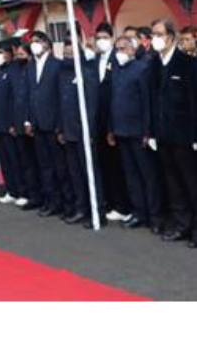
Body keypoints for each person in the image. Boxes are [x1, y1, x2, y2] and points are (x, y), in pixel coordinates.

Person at [149, 19, 197, 247]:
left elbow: (194, 102)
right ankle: (181, 224)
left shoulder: (188, 64)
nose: (154, 39)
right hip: (163, 135)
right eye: (152, 34)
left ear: (170, 37)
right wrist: (152, 133)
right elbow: (152, 101)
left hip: (184, 136)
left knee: (191, 183)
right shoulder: (154, 65)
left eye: (158, 34)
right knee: (173, 184)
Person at [108, 35, 162, 233]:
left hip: (139, 132)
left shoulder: (141, 69)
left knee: (148, 175)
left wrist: (148, 131)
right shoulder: (116, 70)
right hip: (121, 130)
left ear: (132, 49)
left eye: (123, 48)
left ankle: (155, 216)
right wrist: (111, 128)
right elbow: (113, 101)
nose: (119, 52)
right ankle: (139, 212)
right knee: (131, 176)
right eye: (117, 49)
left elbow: (147, 103)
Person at [57, 38, 104, 228]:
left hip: (84, 133)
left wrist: (90, 132)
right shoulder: (63, 75)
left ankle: (97, 212)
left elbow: (92, 107)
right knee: (75, 174)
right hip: (69, 132)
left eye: (71, 54)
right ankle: (81, 208)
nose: (67, 57)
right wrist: (61, 129)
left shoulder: (87, 73)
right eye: (65, 54)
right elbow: (61, 104)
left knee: (90, 173)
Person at [26, 30, 72, 217]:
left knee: (60, 166)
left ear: (46, 43)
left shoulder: (57, 65)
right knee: (45, 166)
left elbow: (61, 97)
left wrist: (60, 125)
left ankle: (67, 204)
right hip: (37, 124)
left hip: (53, 124)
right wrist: (28, 120)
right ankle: (51, 201)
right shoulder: (31, 67)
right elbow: (30, 95)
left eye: (37, 41)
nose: (34, 45)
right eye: (32, 42)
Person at [93, 23, 132, 223]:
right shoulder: (94, 61)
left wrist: (111, 125)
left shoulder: (117, 59)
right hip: (98, 121)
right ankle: (110, 202)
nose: (101, 41)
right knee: (105, 164)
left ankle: (123, 205)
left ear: (111, 38)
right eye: (98, 37)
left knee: (118, 166)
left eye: (104, 37)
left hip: (114, 121)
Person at [0, 40, 24, 205]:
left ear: (10, 52)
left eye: (1, 52)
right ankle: (11, 190)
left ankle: (21, 191)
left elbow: (16, 98)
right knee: (4, 160)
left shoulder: (14, 70)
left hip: (9, 123)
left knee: (15, 159)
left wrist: (13, 122)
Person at [11, 41, 42, 209]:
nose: (18, 58)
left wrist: (28, 121)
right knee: (26, 163)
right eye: (17, 55)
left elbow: (32, 98)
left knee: (37, 162)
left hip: (32, 123)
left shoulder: (33, 69)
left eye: (22, 55)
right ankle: (32, 194)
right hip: (19, 123)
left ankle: (41, 195)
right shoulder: (16, 70)